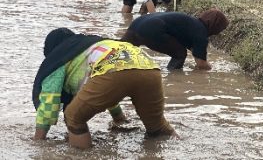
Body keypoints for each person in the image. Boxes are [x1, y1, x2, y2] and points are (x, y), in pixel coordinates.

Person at [32, 28, 176, 149]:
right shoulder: (93, 45)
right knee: (158, 128)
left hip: (113, 71)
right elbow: (110, 92)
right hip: (148, 67)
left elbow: (49, 103)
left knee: (73, 117)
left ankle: (82, 156)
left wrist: (38, 142)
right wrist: (119, 120)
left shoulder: (58, 60)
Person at [121, 10, 229, 70]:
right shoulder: (201, 34)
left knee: (119, 50)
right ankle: (172, 75)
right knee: (180, 54)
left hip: (137, 24)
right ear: (215, 26)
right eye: (221, 28)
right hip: (153, 29)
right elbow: (201, 64)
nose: (220, 32)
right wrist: (214, 70)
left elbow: (195, 52)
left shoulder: (192, 24)